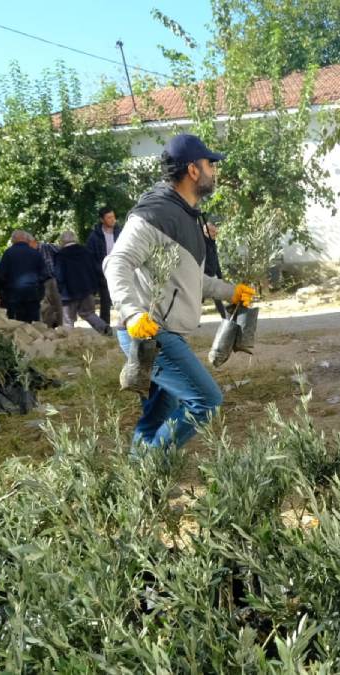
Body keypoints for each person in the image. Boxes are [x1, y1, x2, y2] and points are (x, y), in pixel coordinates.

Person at [104, 133, 256, 452]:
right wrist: (132, 314)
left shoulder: (185, 213)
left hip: (164, 331)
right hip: (150, 334)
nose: (214, 171)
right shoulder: (155, 213)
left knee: (157, 417)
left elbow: (190, 279)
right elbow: (116, 262)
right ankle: (150, 469)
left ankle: (139, 484)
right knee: (206, 400)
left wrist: (231, 292)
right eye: (209, 164)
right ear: (193, 170)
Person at [54, 231, 110, 334]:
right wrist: (94, 288)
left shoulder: (60, 255)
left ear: (62, 242)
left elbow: (59, 275)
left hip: (68, 293)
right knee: (89, 313)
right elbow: (94, 270)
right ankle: (104, 328)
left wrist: (60, 289)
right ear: (75, 239)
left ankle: (69, 342)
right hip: (86, 289)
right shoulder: (86, 252)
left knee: (68, 320)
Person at [0, 230, 50, 323]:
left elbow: (1, 275)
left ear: (13, 240)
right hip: (33, 293)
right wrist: (36, 283)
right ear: (26, 239)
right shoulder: (35, 253)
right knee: (33, 323)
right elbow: (45, 274)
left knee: (16, 324)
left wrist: (2, 290)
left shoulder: (8, 253)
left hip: (13, 294)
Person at [87, 206, 122, 325]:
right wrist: (99, 271)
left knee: (124, 301)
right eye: (109, 217)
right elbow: (90, 258)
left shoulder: (121, 232)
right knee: (105, 303)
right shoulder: (94, 236)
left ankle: (127, 328)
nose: (113, 219)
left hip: (120, 271)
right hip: (103, 273)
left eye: (113, 217)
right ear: (102, 220)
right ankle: (105, 329)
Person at [202, 214, 227, 319]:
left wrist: (220, 277)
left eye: (216, 232)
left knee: (217, 298)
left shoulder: (213, 243)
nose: (215, 234)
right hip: (202, 277)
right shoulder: (201, 243)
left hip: (211, 277)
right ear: (206, 231)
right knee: (196, 299)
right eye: (213, 232)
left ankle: (225, 319)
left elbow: (216, 261)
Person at [37, 236, 63, 328]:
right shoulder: (33, 252)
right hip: (41, 282)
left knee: (58, 304)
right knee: (46, 307)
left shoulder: (47, 247)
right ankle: (49, 327)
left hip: (53, 279)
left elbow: (63, 252)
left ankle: (61, 327)